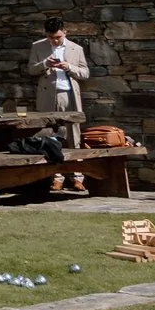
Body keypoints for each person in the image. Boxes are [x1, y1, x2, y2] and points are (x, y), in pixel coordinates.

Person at [32, 17, 90, 191]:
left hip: (69, 94)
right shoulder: (38, 46)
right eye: (51, 37)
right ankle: (56, 177)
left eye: (58, 37)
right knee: (49, 134)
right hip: (47, 94)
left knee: (73, 135)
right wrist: (44, 64)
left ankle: (77, 176)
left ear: (65, 32)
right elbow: (30, 69)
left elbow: (85, 72)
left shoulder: (76, 48)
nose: (55, 40)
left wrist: (69, 67)